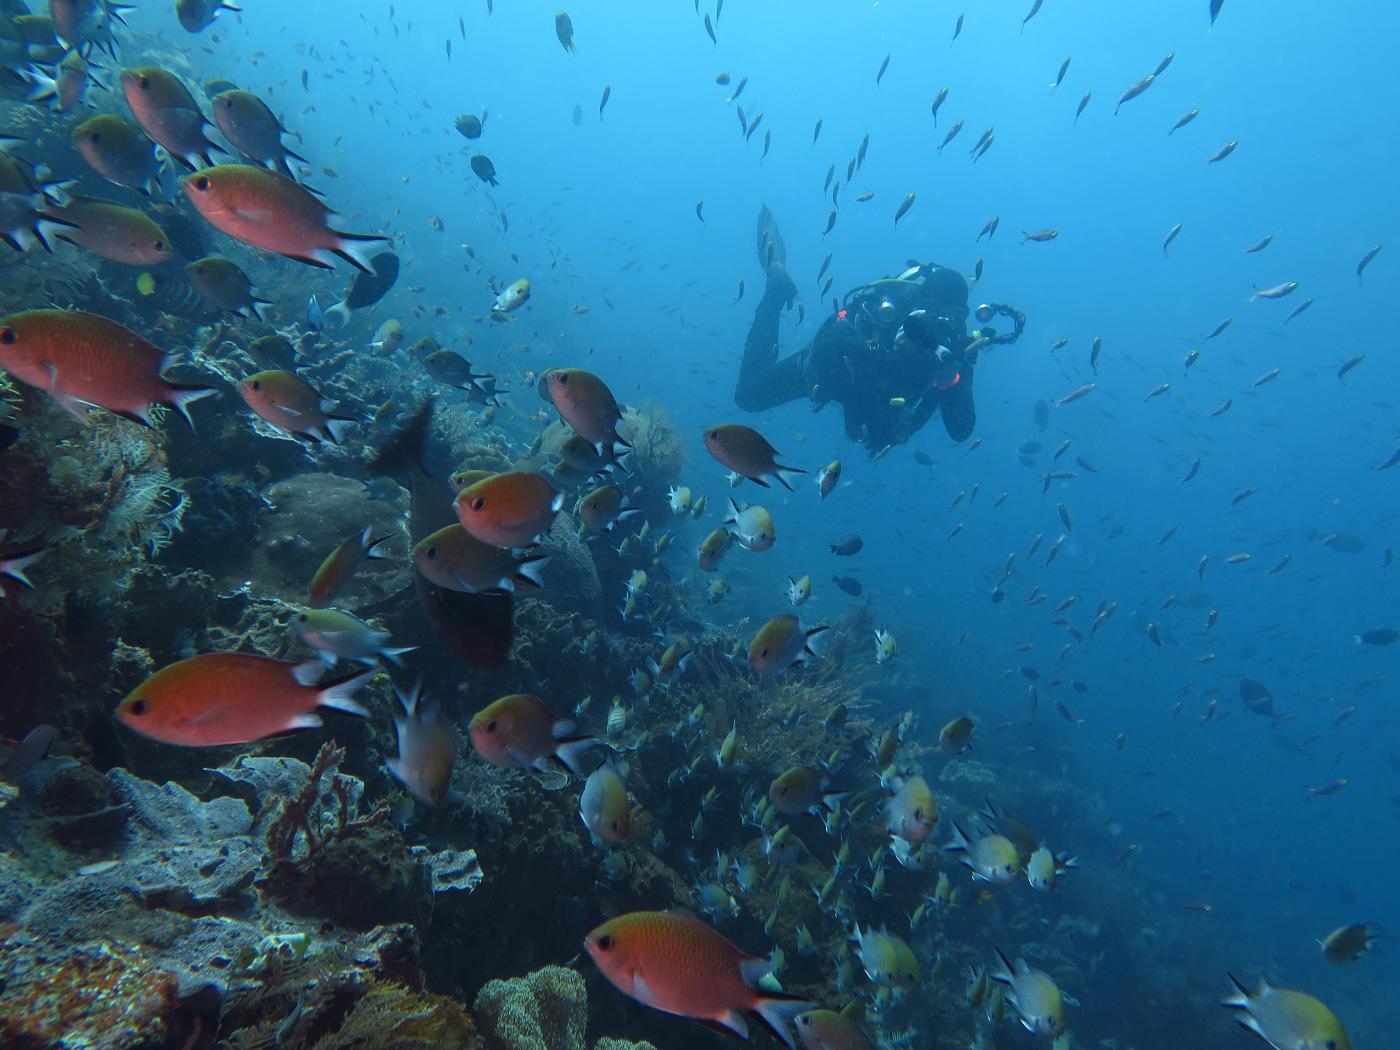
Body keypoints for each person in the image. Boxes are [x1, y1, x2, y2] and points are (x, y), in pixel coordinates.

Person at [735, 206, 1024, 452]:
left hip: (875, 413)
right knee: (748, 395)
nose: (940, 324)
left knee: (752, 398)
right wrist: (876, 353)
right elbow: (834, 343)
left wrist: (951, 379)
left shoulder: (955, 350)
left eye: (953, 317)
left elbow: (961, 430)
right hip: (837, 375)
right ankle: (776, 285)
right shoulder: (891, 313)